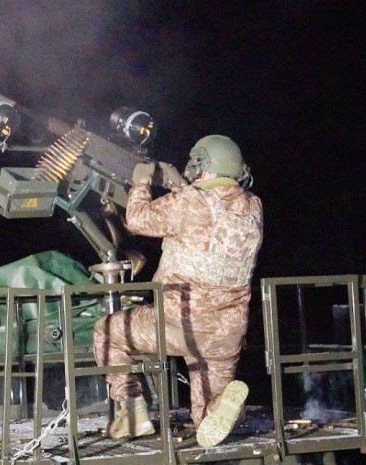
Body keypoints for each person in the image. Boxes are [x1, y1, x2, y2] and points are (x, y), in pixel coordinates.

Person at [92, 134, 263, 447]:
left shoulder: (191, 202)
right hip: (226, 332)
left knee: (107, 332)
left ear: (201, 164)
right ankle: (228, 409)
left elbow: (138, 219)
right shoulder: (253, 208)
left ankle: (131, 411)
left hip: (178, 323)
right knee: (206, 416)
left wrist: (141, 183)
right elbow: (211, 215)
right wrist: (180, 186)